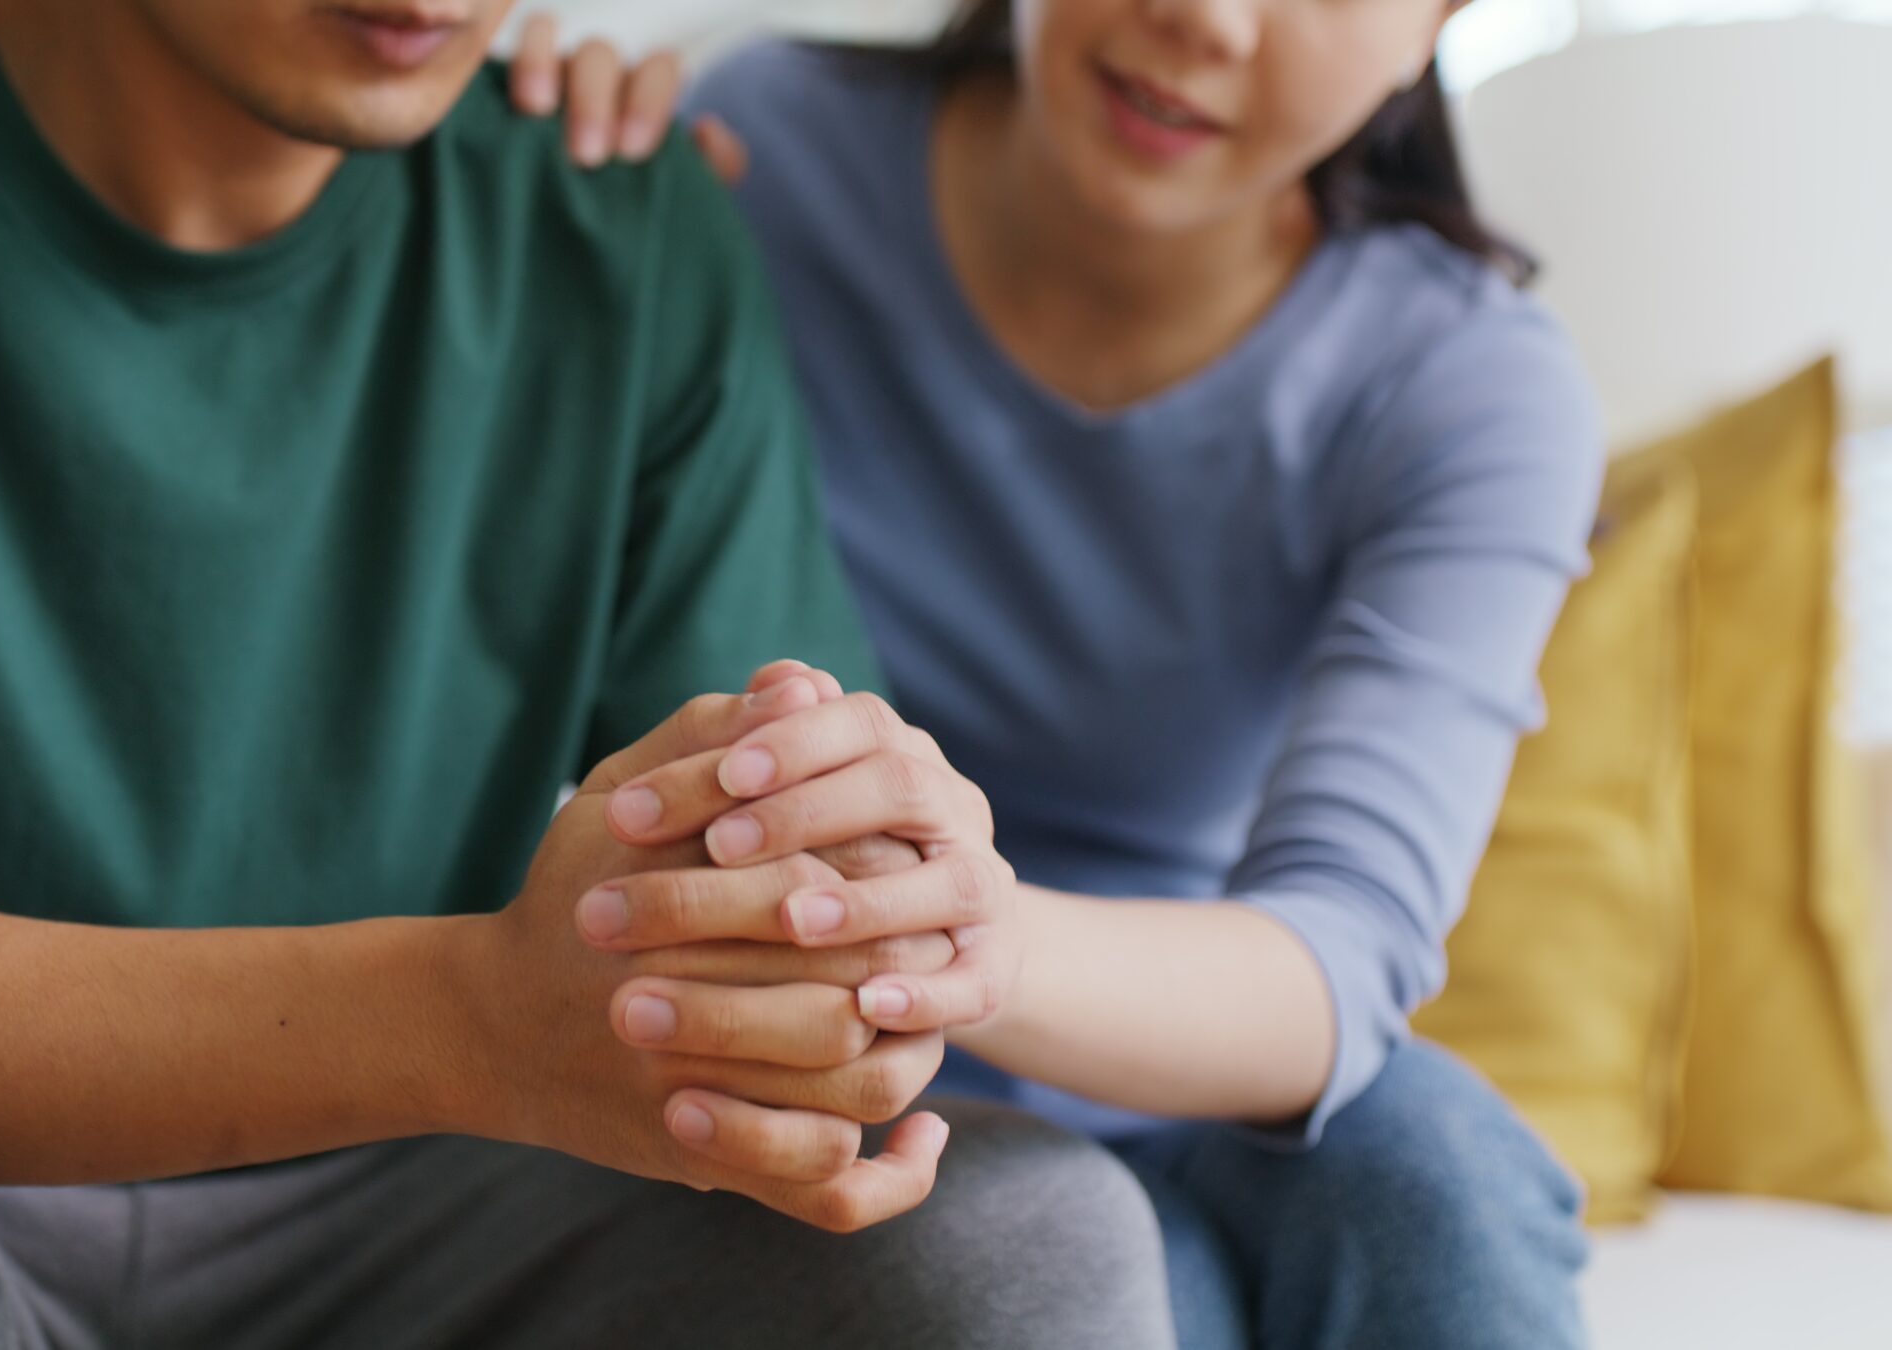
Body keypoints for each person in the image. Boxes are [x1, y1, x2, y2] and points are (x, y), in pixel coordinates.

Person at [0, 0, 1184, 1346]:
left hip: (385, 1199)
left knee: (1024, 1243)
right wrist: (476, 1015)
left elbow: (773, 899)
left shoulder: (621, 222)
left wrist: (858, 935)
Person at [512, 0, 1603, 1344]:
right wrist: (520, 165)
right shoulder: (766, 154)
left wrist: (962, 932)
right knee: (1094, 1271)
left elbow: (1341, 957)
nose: (1202, 18)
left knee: (1437, 1177)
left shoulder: (1464, 382)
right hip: (816, 1045)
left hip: (1182, 1044)